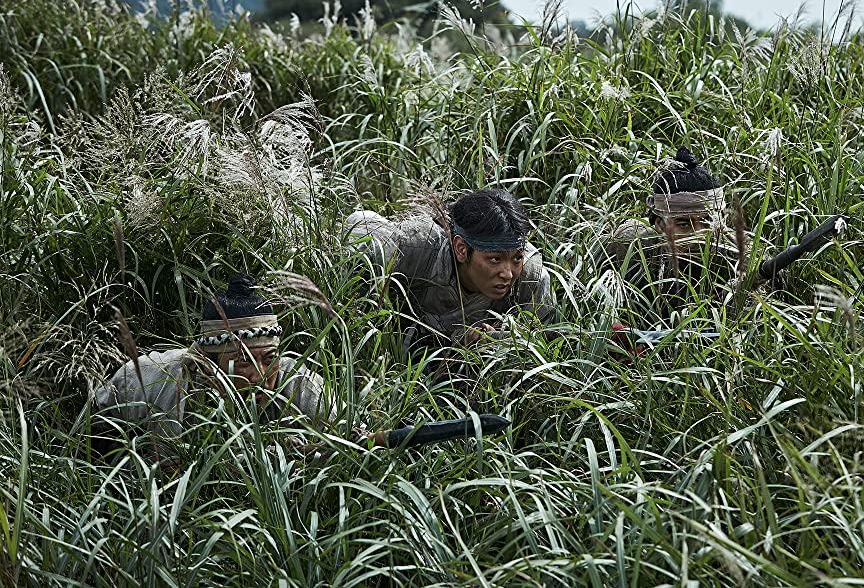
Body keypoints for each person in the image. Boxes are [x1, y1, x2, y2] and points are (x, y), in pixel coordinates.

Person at [92, 273, 337, 451]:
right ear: (209, 364)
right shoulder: (174, 384)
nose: (259, 376)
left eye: (269, 359)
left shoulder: (297, 381)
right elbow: (172, 473)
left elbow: (350, 435)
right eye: (243, 362)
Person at [345, 188, 555, 354]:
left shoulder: (530, 276)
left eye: (516, 258)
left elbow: (537, 343)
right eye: (495, 259)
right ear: (462, 249)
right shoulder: (418, 246)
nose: (508, 274)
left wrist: (499, 340)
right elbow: (359, 223)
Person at [602, 147, 740, 321]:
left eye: (707, 221)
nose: (700, 234)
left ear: (722, 218)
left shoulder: (739, 255)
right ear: (659, 224)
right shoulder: (629, 248)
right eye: (684, 224)